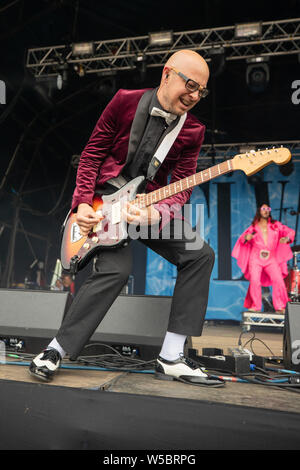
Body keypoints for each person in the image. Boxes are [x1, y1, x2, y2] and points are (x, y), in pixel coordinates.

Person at [29, 50, 224, 387]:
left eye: (201, 91)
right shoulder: (124, 101)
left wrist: (156, 212)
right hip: (105, 208)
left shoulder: (193, 130)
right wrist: (82, 205)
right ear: (167, 74)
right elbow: (91, 155)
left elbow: (180, 187)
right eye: (190, 85)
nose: (194, 96)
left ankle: (172, 356)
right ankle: (55, 349)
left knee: (200, 254)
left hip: (147, 210)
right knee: (117, 271)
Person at [232, 204, 295, 313]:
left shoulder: (276, 226)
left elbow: (290, 232)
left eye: (268, 209)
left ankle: (280, 306)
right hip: (256, 257)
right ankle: (256, 306)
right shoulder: (253, 227)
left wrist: (287, 238)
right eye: (263, 209)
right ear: (259, 211)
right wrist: (246, 238)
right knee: (255, 281)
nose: (266, 211)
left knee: (278, 280)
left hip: (271, 257)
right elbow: (243, 238)